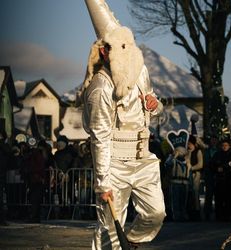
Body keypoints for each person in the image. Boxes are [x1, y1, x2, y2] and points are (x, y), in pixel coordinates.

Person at [80, 1, 165, 249]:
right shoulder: (100, 88)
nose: (125, 52)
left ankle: (132, 241)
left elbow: (155, 106)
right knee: (109, 229)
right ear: (105, 52)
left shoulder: (141, 72)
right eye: (119, 48)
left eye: (128, 46)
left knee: (156, 213)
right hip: (115, 162)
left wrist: (154, 104)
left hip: (143, 158)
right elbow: (100, 137)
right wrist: (103, 182)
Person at [211, 138, 231, 221]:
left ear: (229, 146)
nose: (224, 147)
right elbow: (211, 165)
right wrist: (217, 169)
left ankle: (228, 215)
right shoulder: (217, 154)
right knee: (219, 199)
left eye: (226, 145)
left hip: (230, 180)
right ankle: (219, 216)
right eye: (223, 145)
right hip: (219, 180)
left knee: (229, 199)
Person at [187, 134, 203, 221]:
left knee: (195, 193)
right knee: (188, 194)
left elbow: (200, 164)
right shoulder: (187, 151)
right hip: (187, 175)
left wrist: (191, 168)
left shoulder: (198, 151)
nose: (188, 145)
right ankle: (190, 211)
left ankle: (197, 212)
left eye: (190, 143)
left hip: (195, 174)